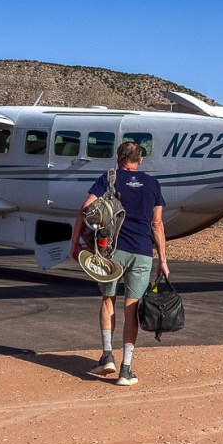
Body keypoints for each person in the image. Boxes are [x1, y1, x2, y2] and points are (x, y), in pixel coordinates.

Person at [70, 141, 168, 387]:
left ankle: (107, 356)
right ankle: (126, 370)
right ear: (141, 160)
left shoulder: (110, 178)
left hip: (113, 251)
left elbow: (85, 209)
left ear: (118, 158)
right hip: (143, 252)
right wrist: (163, 260)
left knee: (108, 299)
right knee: (132, 308)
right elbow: (157, 224)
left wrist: (75, 244)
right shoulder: (153, 184)